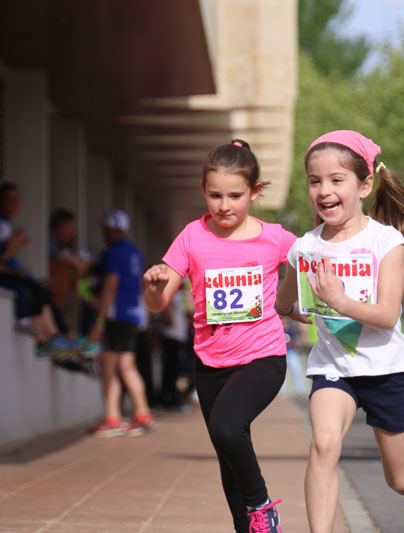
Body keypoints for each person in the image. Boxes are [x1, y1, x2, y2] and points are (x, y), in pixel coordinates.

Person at [274, 129, 404, 533]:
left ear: (365, 185)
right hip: (333, 368)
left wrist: (338, 301)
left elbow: (386, 314)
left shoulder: (387, 240)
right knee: (324, 444)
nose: (324, 191)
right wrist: (297, 311)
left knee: (399, 478)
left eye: (337, 180)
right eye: (315, 181)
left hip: (385, 370)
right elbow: (283, 302)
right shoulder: (304, 247)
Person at [142, 139, 296, 533]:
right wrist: (154, 287)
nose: (224, 206)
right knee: (228, 458)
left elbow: (309, 261)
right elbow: (158, 304)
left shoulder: (275, 237)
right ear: (203, 190)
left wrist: (290, 303)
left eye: (235, 196)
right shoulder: (192, 236)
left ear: (254, 192)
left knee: (227, 429)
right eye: (215, 195)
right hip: (210, 363)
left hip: (263, 356)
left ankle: (262, 504)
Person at [87, 210, 154, 436]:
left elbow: (110, 286)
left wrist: (99, 321)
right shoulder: (134, 252)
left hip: (116, 315)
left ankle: (112, 417)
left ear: (113, 229)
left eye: (106, 228)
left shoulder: (112, 252)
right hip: (133, 315)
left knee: (108, 366)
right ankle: (143, 414)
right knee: (127, 365)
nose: (103, 232)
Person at [0, 182, 79, 356]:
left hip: (20, 278)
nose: (14, 204)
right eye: (9, 199)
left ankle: (58, 338)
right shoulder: (3, 224)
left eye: (17, 199)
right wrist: (10, 249)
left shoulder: (7, 224)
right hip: (11, 280)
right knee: (34, 291)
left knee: (42, 292)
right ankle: (49, 341)